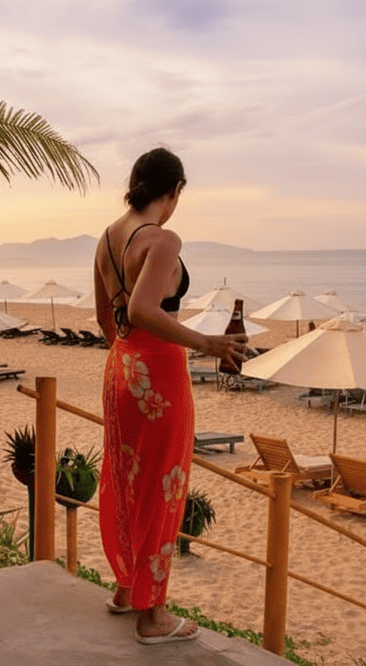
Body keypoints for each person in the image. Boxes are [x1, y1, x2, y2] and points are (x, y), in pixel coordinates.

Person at [93, 148, 247, 644]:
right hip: (158, 374)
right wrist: (208, 343)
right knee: (163, 486)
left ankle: (125, 589)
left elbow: (107, 319)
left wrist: (128, 356)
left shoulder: (107, 238)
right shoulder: (163, 239)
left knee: (126, 477)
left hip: (120, 367)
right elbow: (142, 309)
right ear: (176, 190)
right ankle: (152, 616)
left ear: (135, 183)